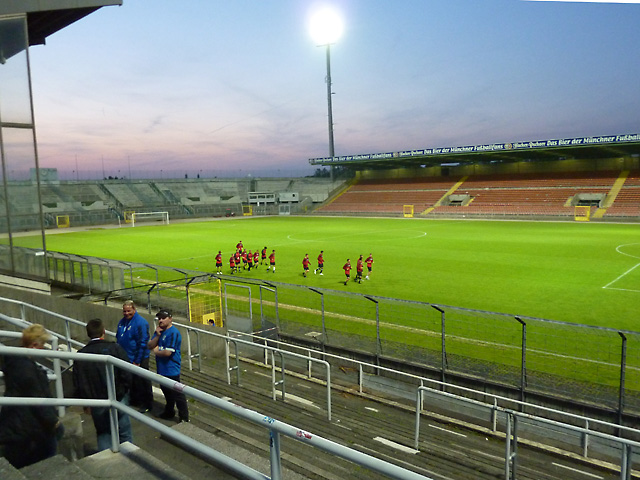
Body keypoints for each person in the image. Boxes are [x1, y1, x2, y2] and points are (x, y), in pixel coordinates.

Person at [0, 324, 64, 468]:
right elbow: (37, 398)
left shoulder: (15, 361)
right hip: (31, 429)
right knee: (46, 464)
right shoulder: (26, 368)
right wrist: (54, 422)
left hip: (16, 425)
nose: (43, 348)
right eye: (43, 345)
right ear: (34, 345)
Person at [73, 319, 133, 451]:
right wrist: (125, 390)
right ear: (103, 332)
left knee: (103, 434)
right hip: (118, 397)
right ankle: (130, 456)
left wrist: (86, 403)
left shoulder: (81, 355)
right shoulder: (115, 348)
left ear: (88, 333)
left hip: (96, 401)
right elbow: (127, 372)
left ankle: (107, 460)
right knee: (124, 431)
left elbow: (79, 382)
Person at [148, 309, 189, 423]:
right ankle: (169, 411)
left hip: (171, 369)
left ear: (170, 319)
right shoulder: (159, 331)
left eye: (163, 318)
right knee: (166, 391)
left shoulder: (173, 333)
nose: (160, 320)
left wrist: (156, 351)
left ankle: (184, 417)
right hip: (161, 368)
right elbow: (149, 345)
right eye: (159, 318)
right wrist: (157, 336)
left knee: (177, 394)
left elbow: (167, 353)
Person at [116, 300, 153, 413]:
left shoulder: (141, 323)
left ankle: (147, 404)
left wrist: (137, 360)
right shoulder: (122, 321)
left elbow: (143, 342)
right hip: (126, 356)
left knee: (142, 381)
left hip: (139, 357)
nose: (126, 313)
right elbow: (118, 337)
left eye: (129, 311)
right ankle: (135, 400)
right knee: (131, 381)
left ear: (134, 309)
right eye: (124, 311)